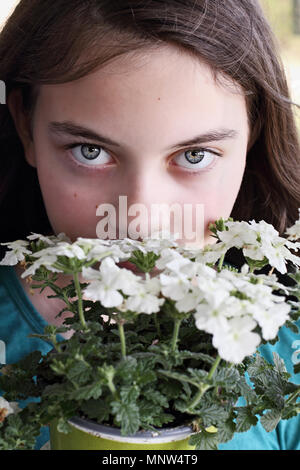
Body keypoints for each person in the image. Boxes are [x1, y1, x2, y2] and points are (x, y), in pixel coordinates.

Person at [0, 0, 299, 450]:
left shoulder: (286, 349)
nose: (140, 218)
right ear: (26, 126)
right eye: (90, 151)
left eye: (194, 156)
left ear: (252, 133)